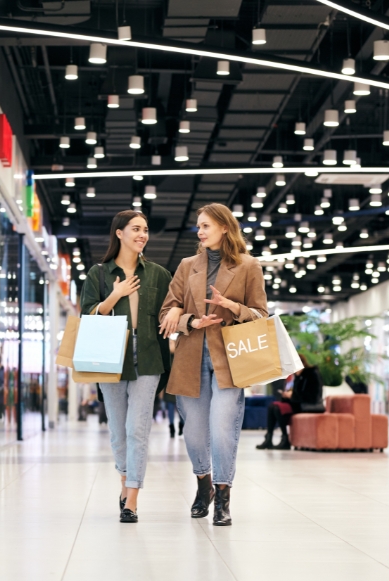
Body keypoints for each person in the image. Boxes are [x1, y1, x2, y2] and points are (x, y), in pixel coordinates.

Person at [159, 203, 268, 526]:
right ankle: (203, 482)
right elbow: (166, 314)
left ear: (224, 227)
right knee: (193, 433)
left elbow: (261, 314)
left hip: (230, 359)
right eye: (199, 226)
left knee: (222, 430)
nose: (200, 231)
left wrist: (230, 305)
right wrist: (189, 320)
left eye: (206, 225)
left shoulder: (249, 266)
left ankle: (222, 496)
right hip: (190, 357)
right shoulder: (186, 265)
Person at [80, 210, 172, 524]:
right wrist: (114, 296)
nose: (142, 234)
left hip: (148, 355)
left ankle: (132, 497)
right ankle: (124, 480)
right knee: (118, 431)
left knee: (138, 430)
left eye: (145, 229)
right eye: (136, 229)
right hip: (109, 357)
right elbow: (87, 316)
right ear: (119, 233)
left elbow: (171, 309)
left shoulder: (158, 274)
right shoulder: (99, 274)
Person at [257, 354, 324, 450]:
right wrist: (287, 395)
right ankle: (269, 438)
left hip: (310, 405)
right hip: (298, 403)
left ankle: (285, 439)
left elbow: (312, 396)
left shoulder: (312, 374)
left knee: (277, 408)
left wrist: (292, 396)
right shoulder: (298, 376)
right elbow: (297, 394)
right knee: (273, 406)